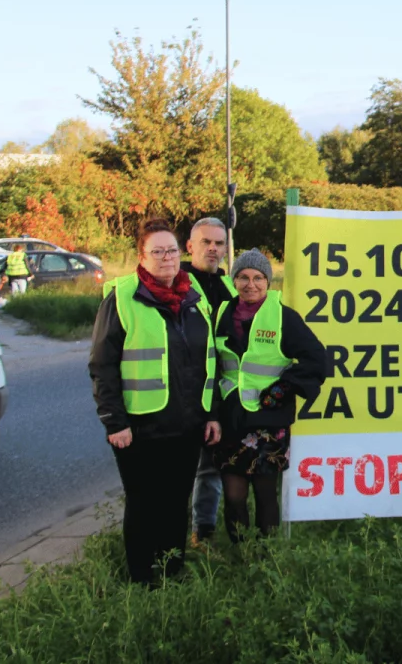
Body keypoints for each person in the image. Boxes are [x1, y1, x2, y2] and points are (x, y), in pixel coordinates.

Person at [89, 218, 221, 586]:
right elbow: (102, 365)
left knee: (177, 502)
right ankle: (142, 579)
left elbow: (206, 361)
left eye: (172, 250)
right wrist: (114, 422)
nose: (167, 258)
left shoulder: (193, 294)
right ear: (142, 256)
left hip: (188, 423)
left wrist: (210, 414)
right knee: (144, 502)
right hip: (140, 427)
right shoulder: (122, 297)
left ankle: (172, 571)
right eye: (158, 251)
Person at [214, 249, 326, 543]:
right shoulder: (220, 315)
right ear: (234, 280)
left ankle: (268, 559)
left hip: (268, 422)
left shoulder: (283, 318)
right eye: (243, 277)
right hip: (231, 421)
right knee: (234, 496)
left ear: (268, 282)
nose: (250, 284)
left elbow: (318, 360)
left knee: (265, 496)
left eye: (258, 278)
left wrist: (283, 389)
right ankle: (242, 558)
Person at [181, 217, 235, 547]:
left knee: (211, 467)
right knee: (181, 469)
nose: (213, 248)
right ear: (190, 246)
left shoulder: (229, 286)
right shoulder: (180, 285)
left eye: (219, 243)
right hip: (186, 393)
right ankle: (169, 536)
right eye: (206, 242)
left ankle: (203, 532)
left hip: (220, 391)